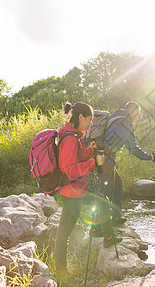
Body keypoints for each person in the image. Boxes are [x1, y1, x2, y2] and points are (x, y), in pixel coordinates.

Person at [54, 102, 122, 285]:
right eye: (90, 119)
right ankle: (62, 275)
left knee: (101, 202)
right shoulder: (69, 138)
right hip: (72, 192)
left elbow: (76, 157)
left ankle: (108, 237)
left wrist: (88, 151)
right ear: (81, 118)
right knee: (64, 234)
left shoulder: (73, 135)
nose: (91, 124)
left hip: (76, 189)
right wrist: (94, 163)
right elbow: (70, 169)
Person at [100, 101, 155, 225]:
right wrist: (152, 157)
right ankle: (98, 227)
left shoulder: (113, 117)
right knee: (105, 192)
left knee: (117, 184)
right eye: (136, 115)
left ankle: (115, 217)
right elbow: (133, 149)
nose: (136, 118)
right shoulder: (125, 123)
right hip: (107, 161)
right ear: (131, 111)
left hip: (99, 158)